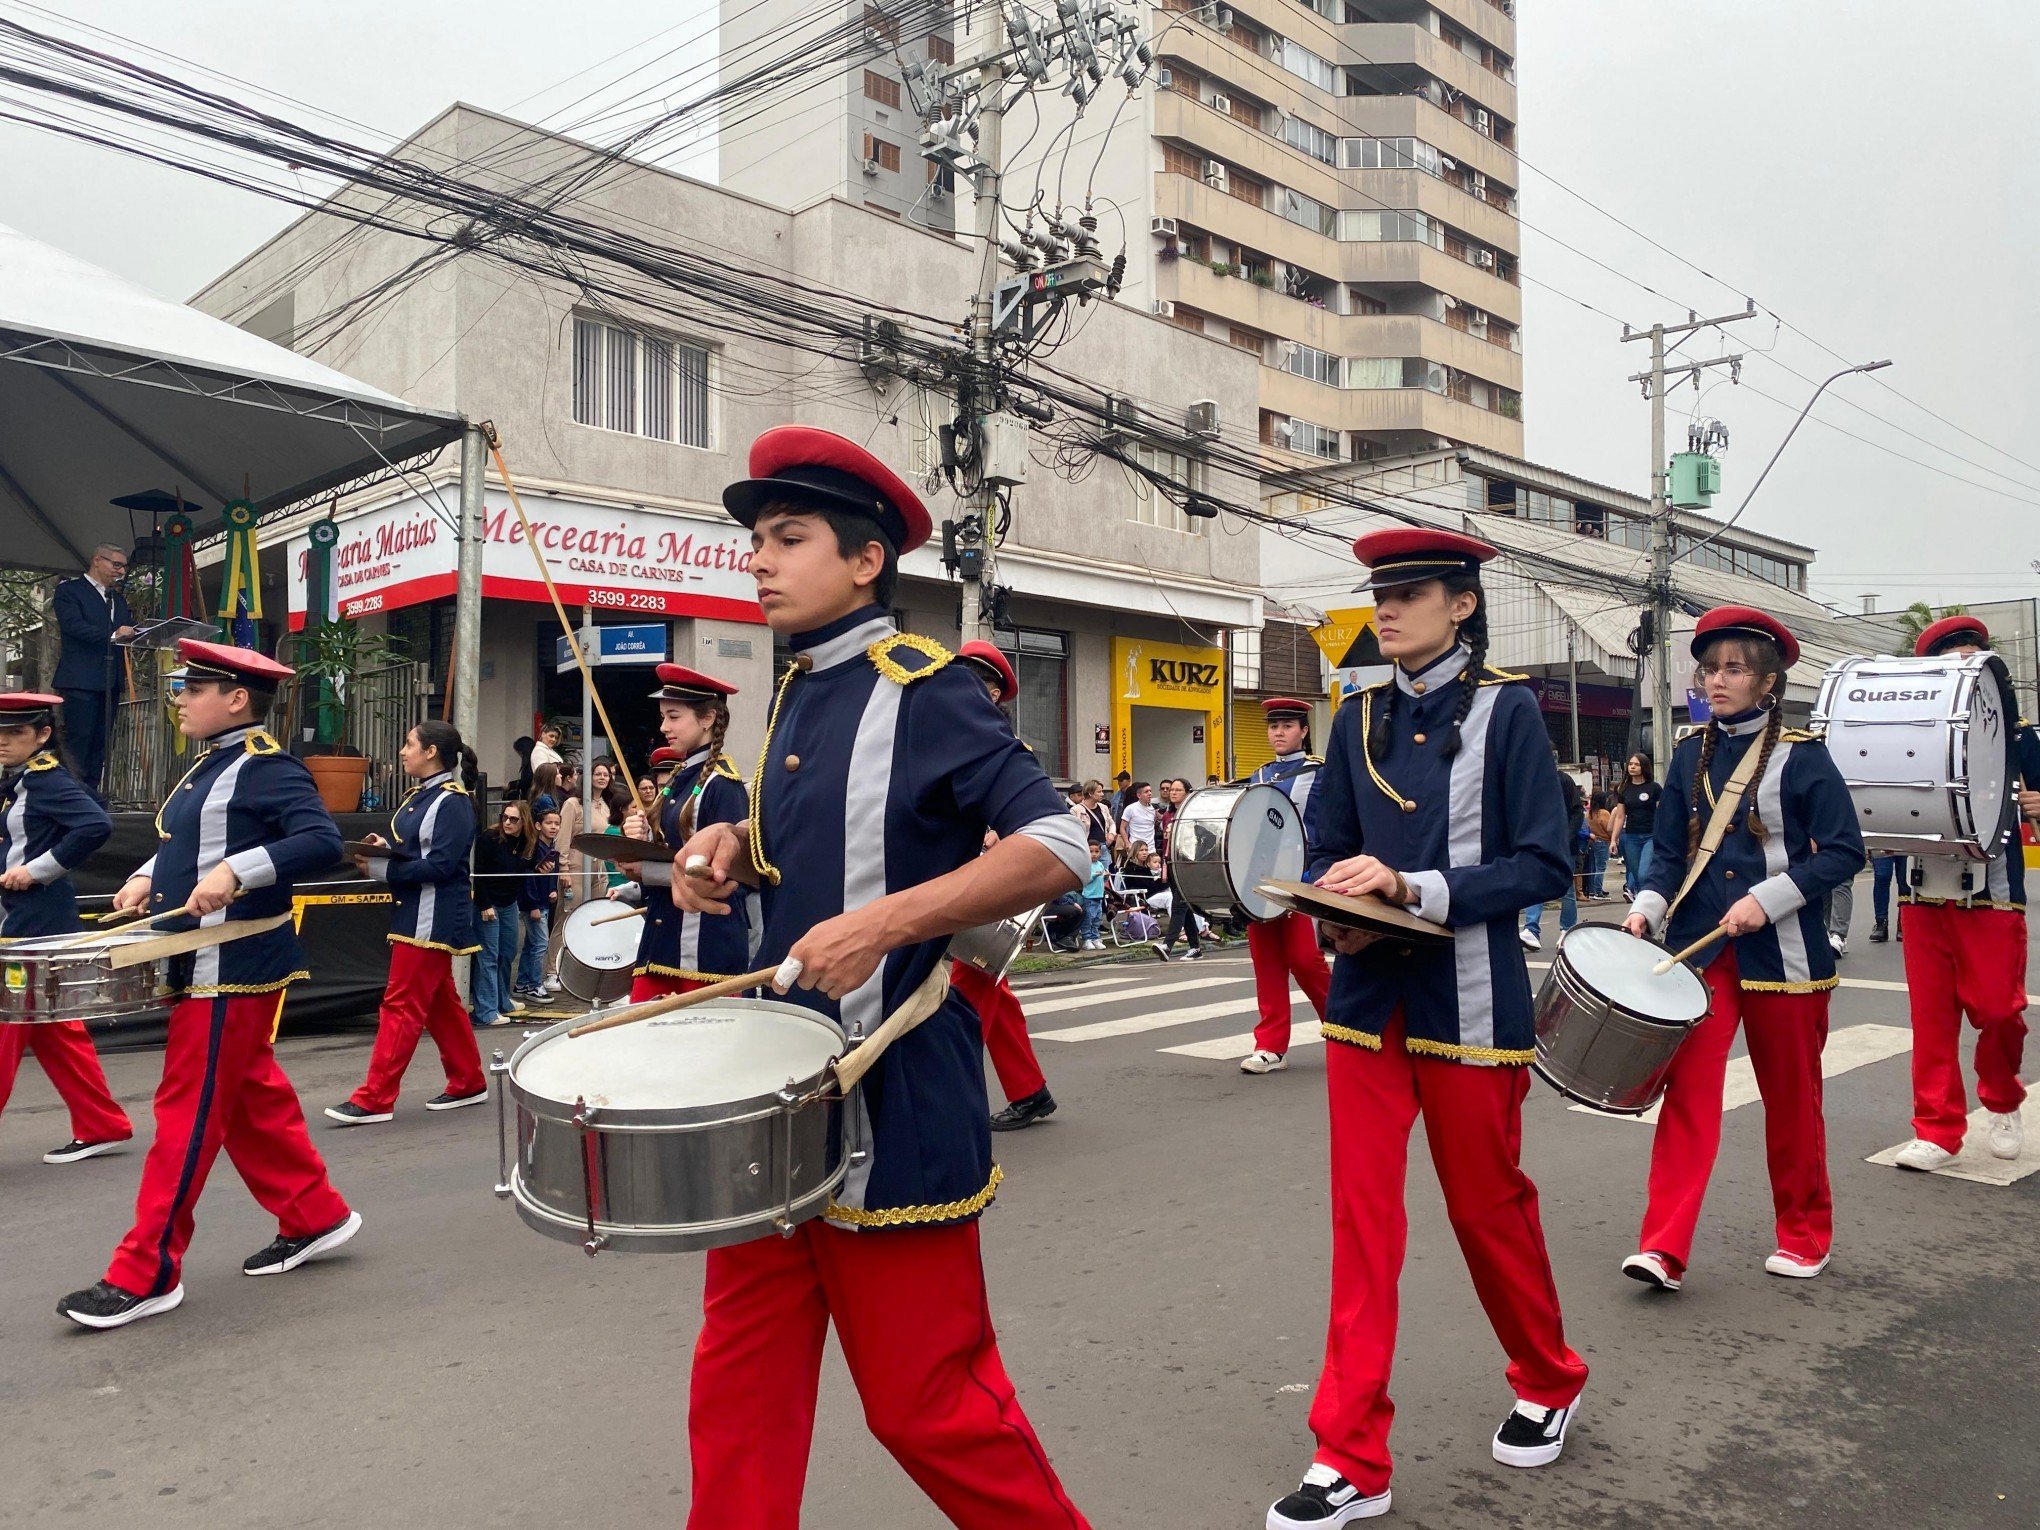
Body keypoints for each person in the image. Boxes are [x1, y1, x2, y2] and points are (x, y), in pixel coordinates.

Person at [672, 425, 1092, 1528]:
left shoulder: (925, 686)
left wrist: (891, 922)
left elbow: (1060, 843)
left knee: (928, 1408)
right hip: (777, 1092)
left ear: (866, 560)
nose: (757, 559)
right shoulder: (794, 693)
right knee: (737, 1396)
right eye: (755, 539)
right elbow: (815, 857)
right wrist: (725, 855)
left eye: (788, 537)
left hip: (894, 1089)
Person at [1267, 529, 1586, 1528]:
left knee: (1486, 1205)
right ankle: (1350, 1451)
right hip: (1366, 1001)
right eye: (1380, 595)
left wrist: (1416, 887)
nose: (1387, 610)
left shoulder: (1512, 711)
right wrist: (1330, 898)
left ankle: (1550, 1373)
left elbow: (1544, 865)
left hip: (1471, 1002)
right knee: (1364, 1224)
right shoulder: (1355, 711)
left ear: (1461, 606)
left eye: (1409, 594)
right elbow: (1325, 842)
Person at [59, 639, 357, 1330]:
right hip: (207, 962)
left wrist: (236, 871)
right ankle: (316, 1214)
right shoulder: (212, 767)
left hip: (234, 967)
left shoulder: (266, 768)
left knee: (186, 1116)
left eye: (192, 689)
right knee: (250, 1100)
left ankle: (147, 1272)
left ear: (236, 699)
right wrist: (144, 878)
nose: (181, 700)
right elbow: (186, 843)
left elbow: (318, 840)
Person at [1621, 606, 1864, 1291]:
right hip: (1702, 957)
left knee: (1791, 1103)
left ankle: (1804, 1233)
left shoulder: (1804, 756)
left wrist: (1773, 896)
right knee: (1688, 1095)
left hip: (1785, 958)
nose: (1716, 680)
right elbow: (1668, 852)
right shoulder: (1690, 752)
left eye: (1734, 668)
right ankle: (1663, 1246)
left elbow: (1845, 851)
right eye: (1710, 668)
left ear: (1767, 682)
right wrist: (1645, 907)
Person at [1888, 615, 2035, 1170]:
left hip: (1993, 892)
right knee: (1931, 1018)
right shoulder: (1907, 733)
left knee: (1999, 1010)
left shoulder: (2020, 738)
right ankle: (1937, 1128)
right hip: (1924, 889)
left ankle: (2002, 1098)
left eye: (1973, 660)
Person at [326, 721, 489, 1126]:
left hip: (430, 915)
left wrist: (381, 867)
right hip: (419, 910)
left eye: (409, 744)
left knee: (400, 1004)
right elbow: (419, 851)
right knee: (440, 1003)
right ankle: (468, 1081)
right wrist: (386, 849)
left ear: (431, 752)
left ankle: (376, 1098)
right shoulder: (426, 796)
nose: (403, 751)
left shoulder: (450, 801)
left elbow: (441, 865)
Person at [0, 694, 133, 1164]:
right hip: (26, 919)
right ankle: (102, 1124)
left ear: (42, 735)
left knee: (6, 1025)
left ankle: (102, 1125)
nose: (3, 741)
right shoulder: (19, 782)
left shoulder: (45, 781)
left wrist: (38, 870)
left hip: (32, 925)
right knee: (55, 1031)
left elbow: (95, 825)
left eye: (15, 733)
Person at [949, 639, 1059, 1131]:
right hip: (960, 885)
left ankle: (949, 1096)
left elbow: (1040, 822)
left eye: (972, 682)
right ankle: (1030, 1091)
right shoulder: (948, 742)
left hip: (996, 887)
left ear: (994, 694)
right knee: (995, 990)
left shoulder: (1007, 750)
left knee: (964, 996)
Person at [608, 668, 752, 1003]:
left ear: (708, 718)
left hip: (706, 949)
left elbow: (728, 876)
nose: (663, 728)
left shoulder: (724, 785)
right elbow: (669, 851)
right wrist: (638, 840)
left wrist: (645, 870)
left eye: (673, 716)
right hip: (662, 940)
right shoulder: (677, 778)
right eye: (662, 717)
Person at [1238, 699, 1333, 1074]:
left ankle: (1346, 1025)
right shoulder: (1258, 775)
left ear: (1304, 731)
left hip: (1303, 879)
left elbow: (1333, 825)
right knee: (1267, 963)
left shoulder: (1321, 772)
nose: (1278, 732)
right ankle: (1270, 1046)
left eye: (1287, 726)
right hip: (1258, 882)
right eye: (1273, 726)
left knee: (1305, 959)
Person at [52, 543, 136, 796]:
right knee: (78, 742)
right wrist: (112, 634)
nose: (120, 571)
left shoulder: (116, 598)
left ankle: (91, 796)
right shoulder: (70, 591)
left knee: (100, 745)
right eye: (116, 564)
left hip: (110, 681)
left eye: (123, 566)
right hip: (80, 680)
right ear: (97, 560)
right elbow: (73, 626)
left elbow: (127, 628)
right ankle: (71, 798)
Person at [470, 800, 534, 1027]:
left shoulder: (526, 841)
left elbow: (523, 867)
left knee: (507, 951)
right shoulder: (489, 839)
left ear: (523, 822)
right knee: (488, 956)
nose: (507, 822)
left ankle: (501, 999)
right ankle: (485, 1010)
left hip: (508, 902)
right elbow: (477, 873)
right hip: (489, 903)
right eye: (504, 817)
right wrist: (484, 904)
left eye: (513, 819)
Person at [1520, 759, 1583, 950]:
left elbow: (1577, 811)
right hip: (1538, 842)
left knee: (1567, 888)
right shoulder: (1530, 781)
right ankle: (1531, 929)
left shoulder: (1564, 781)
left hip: (1563, 843)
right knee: (1535, 885)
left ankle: (1567, 928)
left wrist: (1567, 836)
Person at [1152, 777, 1205, 961]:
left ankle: (1168, 944)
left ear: (1187, 793)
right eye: (1171, 790)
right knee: (1185, 905)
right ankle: (1195, 947)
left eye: (1177, 790)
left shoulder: (1192, 814)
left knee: (1179, 904)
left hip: (1187, 865)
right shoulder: (1167, 814)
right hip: (1171, 863)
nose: (1172, 793)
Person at [514, 806, 561, 1000]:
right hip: (534, 904)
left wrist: (553, 889)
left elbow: (550, 874)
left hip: (544, 900)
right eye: (549, 823)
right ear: (538, 825)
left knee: (532, 944)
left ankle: (523, 983)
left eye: (557, 823)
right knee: (541, 943)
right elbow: (529, 877)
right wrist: (533, 905)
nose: (553, 827)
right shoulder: (534, 848)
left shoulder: (551, 847)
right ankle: (534, 984)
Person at [1608, 753, 1657, 898]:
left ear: (1644, 767)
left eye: (1636, 764)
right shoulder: (1624, 789)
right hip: (1631, 837)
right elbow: (1620, 816)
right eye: (1630, 764)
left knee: (1643, 874)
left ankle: (1647, 900)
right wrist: (1613, 839)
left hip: (1650, 836)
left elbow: (1662, 813)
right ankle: (1642, 903)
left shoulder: (1654, 788)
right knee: (1635, 874)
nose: (1633, 767)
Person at [1079, 840, 1108, 949]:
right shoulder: (1086, 865)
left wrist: (1106, 876)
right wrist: (1095, 876)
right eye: (1091, 851)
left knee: (1097, 919)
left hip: (1099, 896)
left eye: (1097, 851)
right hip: (1089, 897)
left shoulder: (1100, 864)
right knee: (1088, 919)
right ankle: (1087, 939)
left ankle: (1095, 938)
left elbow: (1103, 880)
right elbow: (1085, 880)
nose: (1094, 854)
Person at [1585, 790, 1613, 897]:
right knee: (1601, 867)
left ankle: (1592, 889)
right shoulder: (1604, 813)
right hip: (1603, 841)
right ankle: (1598, 891)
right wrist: (1613, 838)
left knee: (1593, 867)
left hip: (1593, 841)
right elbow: (1608, 828)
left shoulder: (1589, 813)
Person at [1120, 780, 1157, 853]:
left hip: (1151, 848)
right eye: (1146, 792)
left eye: (1150, 791)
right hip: (1135, 848)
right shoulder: (1130, 808)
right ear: (1139, 795)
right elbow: (1122, 827)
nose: (1149, 793)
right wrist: (1127, 843)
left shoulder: (1153, 809)